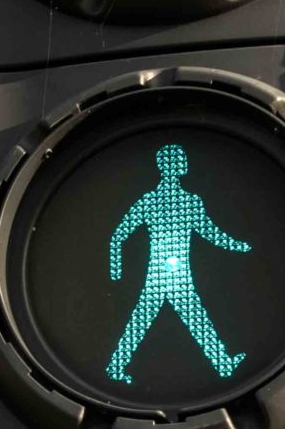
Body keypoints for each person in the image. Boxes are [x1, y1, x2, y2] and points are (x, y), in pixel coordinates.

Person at [106, 142, 250, 384]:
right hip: (170, 277)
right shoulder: (171, 201)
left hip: (170, 276)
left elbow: (118, 236)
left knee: (170, 320)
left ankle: (224, 364)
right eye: (180, 159)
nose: (184, 163)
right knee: (181, 320)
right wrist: (116, 270)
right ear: (175, 166)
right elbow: (212, 233)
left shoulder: (166, 200)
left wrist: (116, 270)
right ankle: (224, 365)